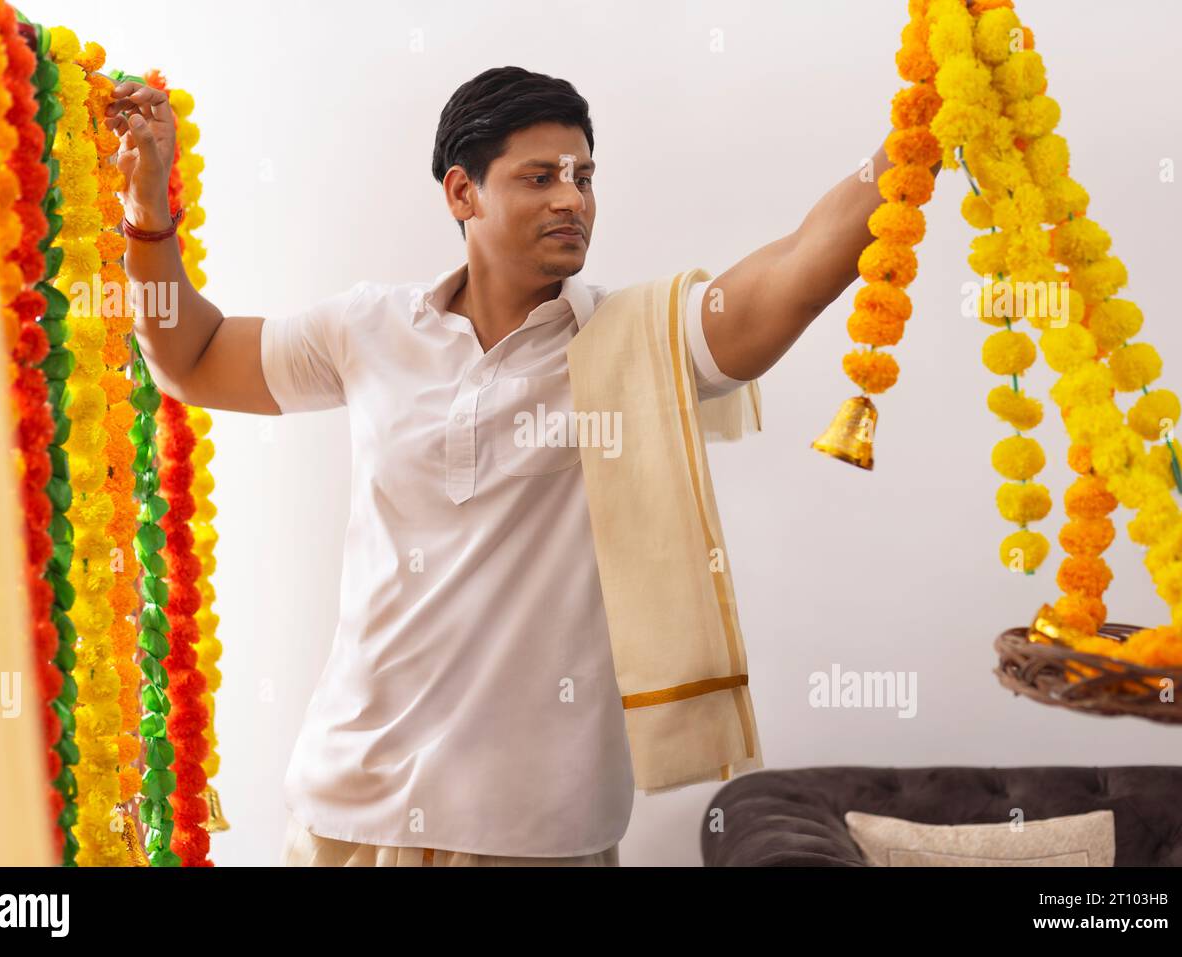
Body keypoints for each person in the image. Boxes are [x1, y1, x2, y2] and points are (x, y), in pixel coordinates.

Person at [109, 64, 937, 867]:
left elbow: (792, 271)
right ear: (462, 193)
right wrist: (148, 212)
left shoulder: (631, 340)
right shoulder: (368, 330)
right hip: (343, 811)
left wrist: (922, 126)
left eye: (583, 175)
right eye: (540, 176)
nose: (572, 199)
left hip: (539, 830)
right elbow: (193, 354)